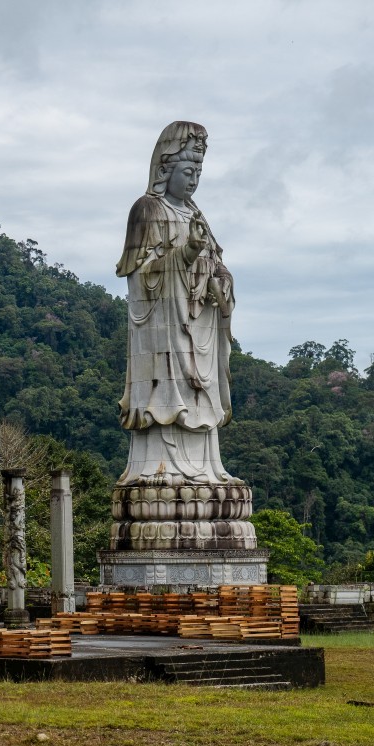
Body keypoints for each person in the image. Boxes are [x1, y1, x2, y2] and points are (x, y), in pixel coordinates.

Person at [115, 121, 238, 486]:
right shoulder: (147, 211)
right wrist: (186, 252)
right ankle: (158, 471)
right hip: (165, 336)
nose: (194, 179)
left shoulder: (197, 217)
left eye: (199, 171)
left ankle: (208, 469)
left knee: (201, 399)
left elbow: (219, 269)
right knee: (169, 398)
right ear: (165, 169)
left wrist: (220, 283)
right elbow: (141, 277)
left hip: (199, 325)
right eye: (188, 170)